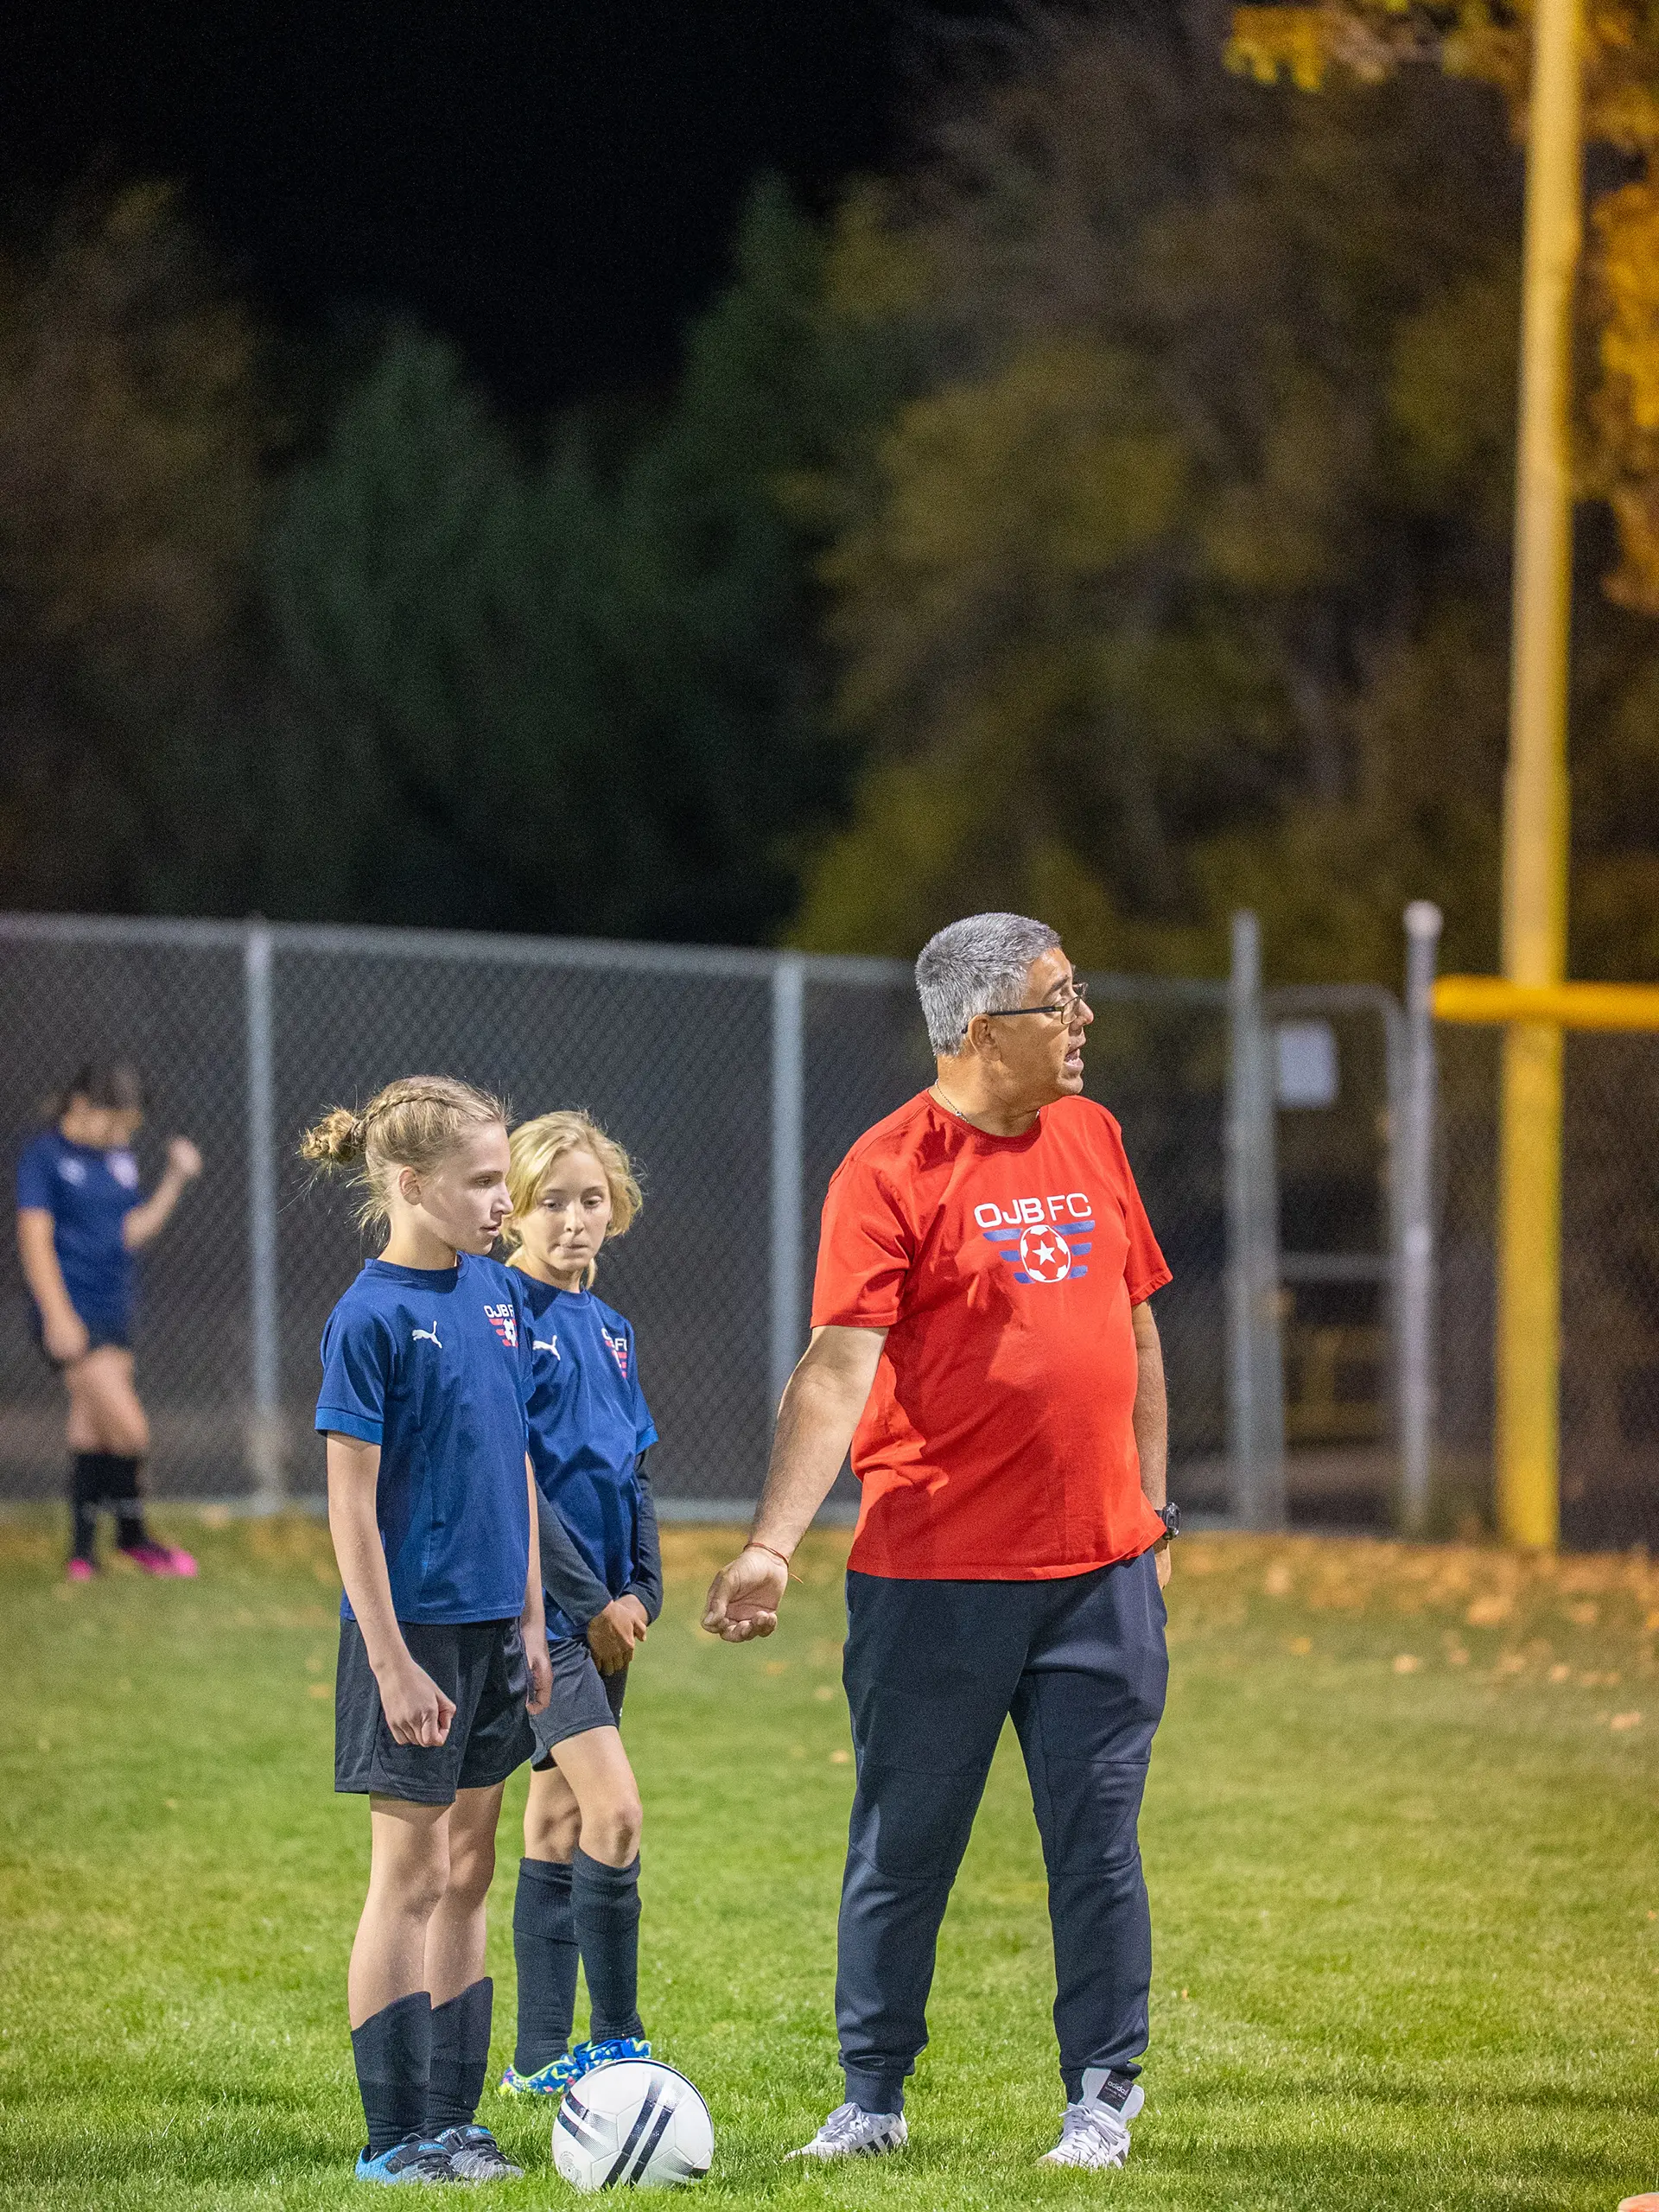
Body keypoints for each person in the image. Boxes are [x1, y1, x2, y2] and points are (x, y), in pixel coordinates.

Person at [702, 912, 1176, 2172]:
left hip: (1098, 1576)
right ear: (982, 1031)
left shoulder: (1093, 1134)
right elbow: (836, 1368)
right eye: (1059, 1000)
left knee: (1098, 1845)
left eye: (1078, 991)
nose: (1083, 1019)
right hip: (934, 1579)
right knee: (903, 1849)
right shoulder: (889, 1168)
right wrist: (774, 1547)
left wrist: (1156, 1513)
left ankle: (1102, 2097)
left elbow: (1135, 1339)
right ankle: (872, 2101)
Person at [304, 1076, 553, 2187]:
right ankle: (392, 2139)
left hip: (499, 1634)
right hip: (414, 1643)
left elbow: (516, 1467)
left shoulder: (499, 1296)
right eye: (485, 1181)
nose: (506, 1200)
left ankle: (456, 2125)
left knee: (467, 1873)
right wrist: (392, 1656)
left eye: (505, 1178)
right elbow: (349, 1507)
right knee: (405, 1879)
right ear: (411, 1185)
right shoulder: (368, 1317)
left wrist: (537, 1620)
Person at [493, 1111, 661, 2101]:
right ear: (512, 1206)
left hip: (609, 1613)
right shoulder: (503, 1314)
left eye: (590, 1198)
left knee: (556, 1819)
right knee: (618, 1811)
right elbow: (516, 1484)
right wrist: (592, 1602)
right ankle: (620, 2042)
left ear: (616, 1207)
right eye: (550, 1200)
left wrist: (643, 1588)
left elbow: (630, 1472)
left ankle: (537, 2059)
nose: (572, 1219)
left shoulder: (612, 1328)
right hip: (547, 1615)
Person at [16, 1062, 203, 1581]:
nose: (122, 1134)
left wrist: (173, 1180)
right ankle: (133, 1537)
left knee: (92, 1429)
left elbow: (131, 1231)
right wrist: (57, 1315)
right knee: (130, 1430)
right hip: (69, 1314)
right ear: (82, 1106)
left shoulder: (117, 1160)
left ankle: (82, 1553)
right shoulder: (44, 1158)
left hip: (113, 1308)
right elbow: (34, 1241)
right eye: (115, 1121)